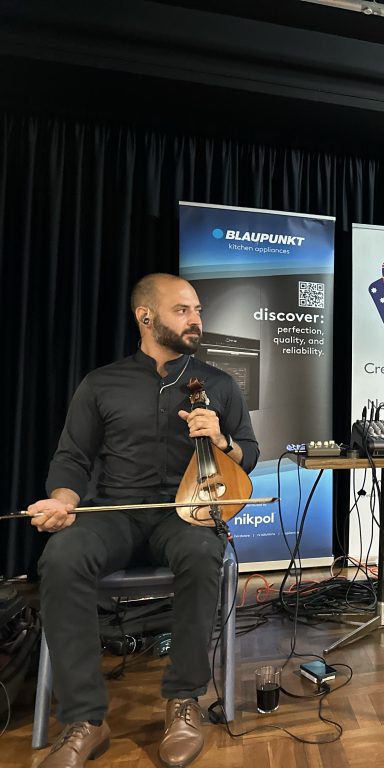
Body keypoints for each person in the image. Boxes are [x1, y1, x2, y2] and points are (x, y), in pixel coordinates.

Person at [28, 273, 260, 768]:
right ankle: (86, 719)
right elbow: (71, 459)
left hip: (185, 513)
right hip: (113, 510)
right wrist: (62, 501)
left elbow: (250, 453)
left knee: (202, 553)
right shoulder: (102, 383)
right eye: (182, 310)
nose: (196, 318)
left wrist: (222, 442)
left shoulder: (217, 384)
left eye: (197, 309)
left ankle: (183, 700)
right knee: (62, 557)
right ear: (145, 316)